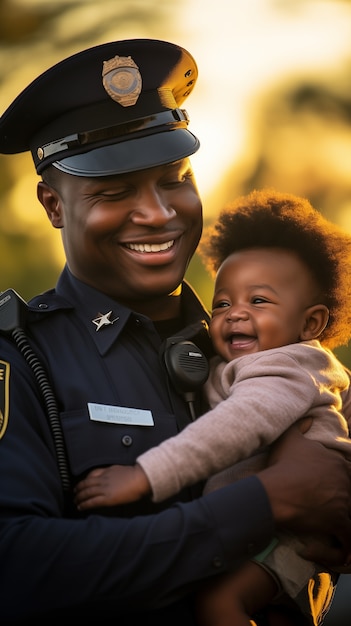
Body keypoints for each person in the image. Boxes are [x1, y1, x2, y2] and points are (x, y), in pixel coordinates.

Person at [0, 39, 350, 626]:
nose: (158, 213)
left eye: (175, 180)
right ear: (53, 206)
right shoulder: (23, 359)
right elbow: (16, 568)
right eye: (114, 194)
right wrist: (265, 501)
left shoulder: (273, 343)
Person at [74, 189, 351, 626]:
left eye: (258, 301)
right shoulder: (246, 363)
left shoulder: (286, 367)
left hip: (286, 539)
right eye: (223, 303)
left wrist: (144, 475)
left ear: (310, 323)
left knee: (218, 606)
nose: (235, 314)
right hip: (258, 532)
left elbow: (233, 428)